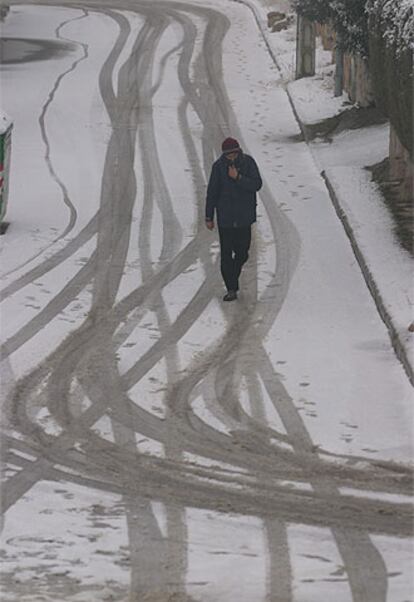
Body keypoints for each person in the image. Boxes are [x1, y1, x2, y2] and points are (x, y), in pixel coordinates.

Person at [205, 137, 263, 301]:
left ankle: (233, 275)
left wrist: (238, 178)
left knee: (242, 253)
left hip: (244, 218)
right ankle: (231, 288)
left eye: (233, 154)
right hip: (225, 220)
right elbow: (212, 193)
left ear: (238, 151)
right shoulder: (218, 167)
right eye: (228, 155)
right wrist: (209, 216)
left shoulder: (248, 163)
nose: (231, 157)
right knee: (226, 255)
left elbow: (257, 184)